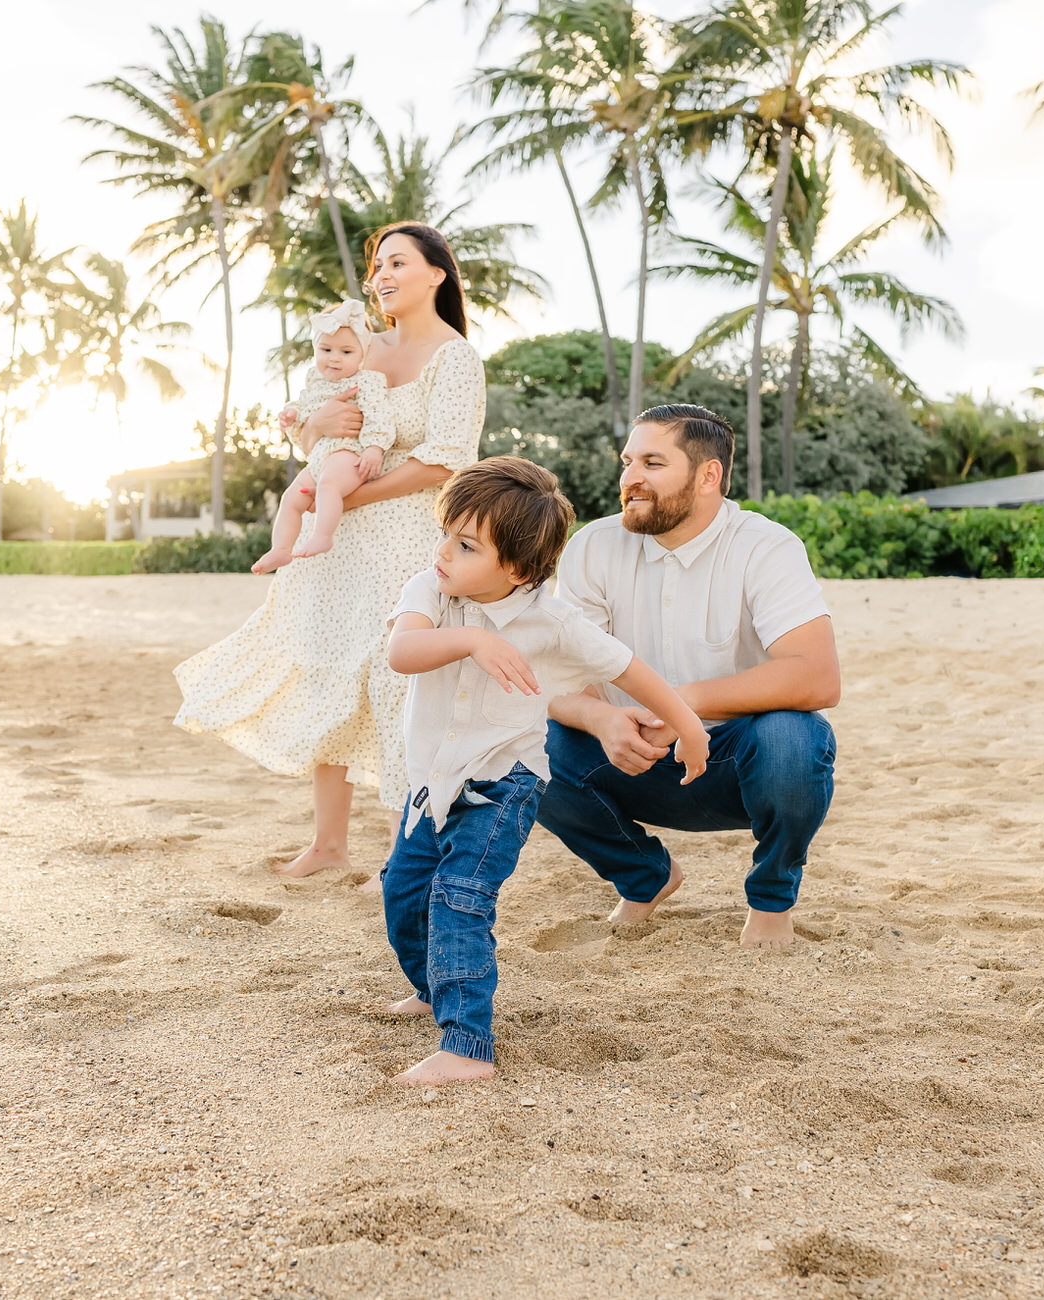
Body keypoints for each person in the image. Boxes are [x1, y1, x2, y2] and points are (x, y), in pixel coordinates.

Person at [173, 223, 488, 880]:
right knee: (329, 671)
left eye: (398, 262)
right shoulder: (362, 349)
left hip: (404, 537)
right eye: (377, 265)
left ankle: (412, 846)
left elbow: (445, 462)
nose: (382, 276)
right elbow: (317, 436)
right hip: (338, 542)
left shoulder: (454, 358)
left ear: (437, 274)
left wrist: (348, 499)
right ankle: (330, 844)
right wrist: (313, 430)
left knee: (397, 680)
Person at [382, 457, 709, 1085]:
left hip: (504, 782)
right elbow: (404, 652)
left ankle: (466, 1044)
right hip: (431, 781)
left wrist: (689, 726)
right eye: (445, 532)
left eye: (467, 544)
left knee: (461, 897)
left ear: (520, 569)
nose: (444, 552)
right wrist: (475, 641)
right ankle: (433, 989)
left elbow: (629, 670)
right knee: (403, 892)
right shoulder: (430, 588)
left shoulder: (551, 620)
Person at [539, 404, 841, 950]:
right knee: (524, 744)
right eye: (628, 461)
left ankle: (772, 901)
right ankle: (644, 878)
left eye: (653, 462)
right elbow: (554, 677)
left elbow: (818, 677)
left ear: (709, 476)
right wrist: (602, 717)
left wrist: (682, 706)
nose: (631, 477)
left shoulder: (766, 545)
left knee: (798, 738)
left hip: (738, 763)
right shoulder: (593, 546)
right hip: (630, 751)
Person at [253, 300, 394, 574]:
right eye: (326, 349)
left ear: (361, 355)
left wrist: (374, 448)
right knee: (291, 497)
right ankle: (281, 549)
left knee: (329, 484)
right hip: (319, 457)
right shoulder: (315, 381)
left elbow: (379, 414)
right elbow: (305, 405)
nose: (334, 358)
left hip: (350, 455)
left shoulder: (366, 381)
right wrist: (292, 414)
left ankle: (323, 536)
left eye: (346, 351)